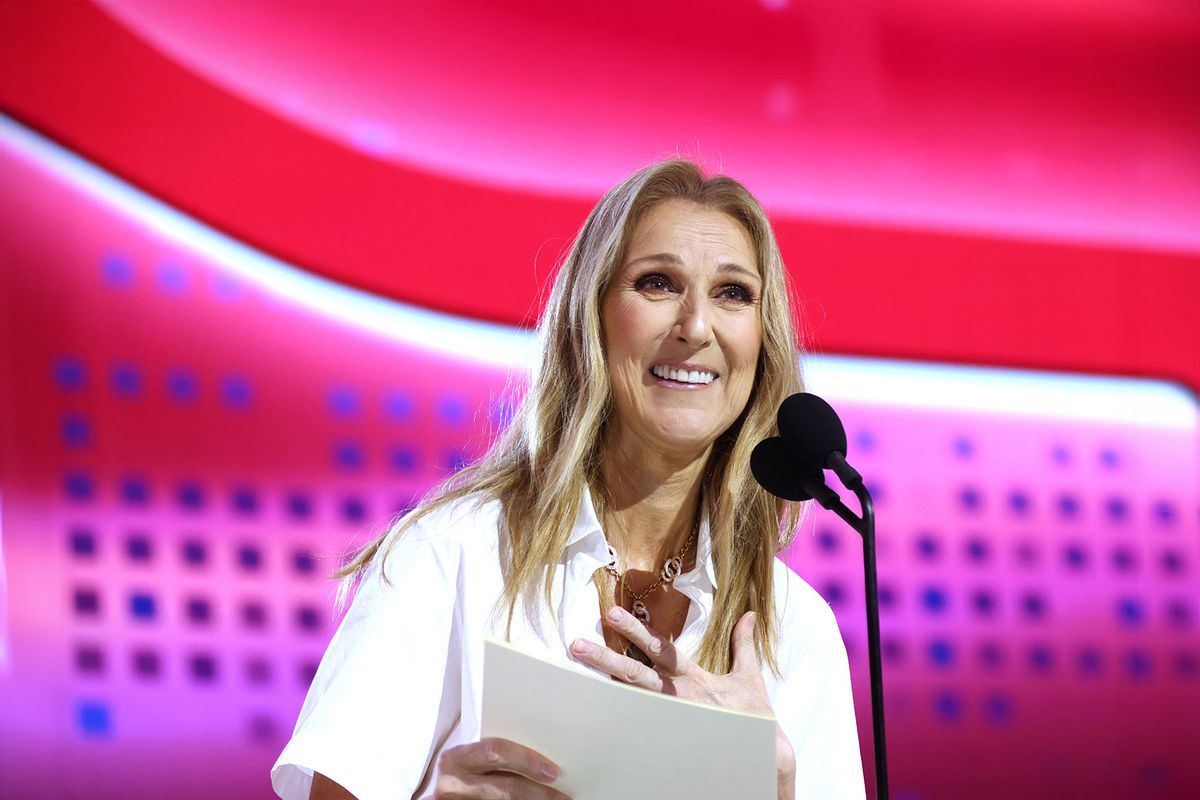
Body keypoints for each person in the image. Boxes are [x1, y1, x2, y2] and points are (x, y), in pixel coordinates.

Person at [271, 160, 865, 800]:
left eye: (733, 294)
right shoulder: (454, 555)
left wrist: (771, 789)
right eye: (657, 283)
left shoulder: (794, 627)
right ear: (592, 319)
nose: (696, 326)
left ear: (763, 341)